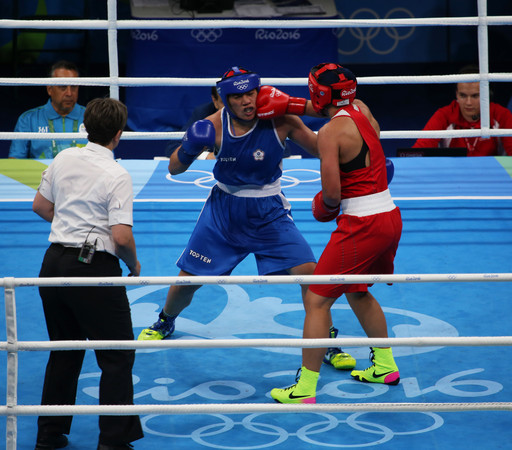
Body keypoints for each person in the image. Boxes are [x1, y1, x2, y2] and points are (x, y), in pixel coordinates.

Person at [137, 66, 356, 372]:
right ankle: (165, 321)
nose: (247, 101)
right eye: (238, 96)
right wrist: (186, 149)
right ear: (223, 100)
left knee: (311, 275)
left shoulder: (281, 121)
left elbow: (324, 149)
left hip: (270, 212)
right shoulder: (211, 127)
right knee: (187, 281)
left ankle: (327, 340)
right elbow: (174, 169)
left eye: (250, 93)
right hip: (223, 212)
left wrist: (361, 162)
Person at [256, 63, 402, 404]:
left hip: (361, 224)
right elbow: (346, 139)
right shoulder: (361, 109)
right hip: (389, 215)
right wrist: (291, 108)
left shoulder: (331, 133)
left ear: (319, 93)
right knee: (357, 291)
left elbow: (332, 197)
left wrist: (320, 205)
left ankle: (305, 387)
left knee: (318, 299)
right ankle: (385, 365)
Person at [32, 97, 143, 449]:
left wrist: (71, 227)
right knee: (116, 354)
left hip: (52, 265)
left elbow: (41, 206)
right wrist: (133, 264)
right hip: (92, 268)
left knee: (64, 350)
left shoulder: (63, 157)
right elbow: (121, 236)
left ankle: (49, 436)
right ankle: (112, 442)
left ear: (86, 127)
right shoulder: (116, 173)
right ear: (119, 135)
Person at [413, 64, 512, 156]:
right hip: (453, 173)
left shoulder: (501, 115)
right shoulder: (444, 115)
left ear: (486, 95)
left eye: (475, 96)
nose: (468, 102)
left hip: (492, 172)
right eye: (463, 95)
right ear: (456, 95)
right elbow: (418, 152)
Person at [9, 60, 87, 159]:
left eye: (74, 86)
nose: (69, 93)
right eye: (63, 87)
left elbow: (104, 159)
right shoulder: (28, 119)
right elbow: (15, 160)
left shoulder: (93, 117)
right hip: (40, 174)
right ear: (49, 89)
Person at [164, 86, 223, 158]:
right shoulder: (204, 113)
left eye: (236, 97)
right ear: (215, 101)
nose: (231, 107)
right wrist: (206, 156)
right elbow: (173, 147)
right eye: (224, 102)